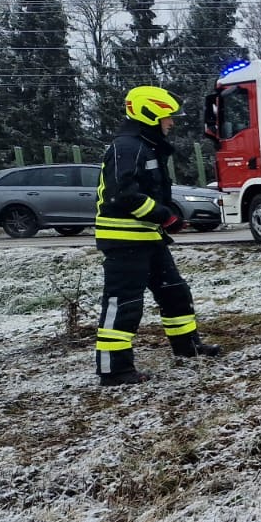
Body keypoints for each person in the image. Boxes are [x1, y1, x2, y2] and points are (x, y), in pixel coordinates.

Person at [93, 86, 222, 386]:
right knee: (123, 303)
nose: (171, 123)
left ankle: (188, 348)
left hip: (147, 237)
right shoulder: (128, 147)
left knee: (174, 292)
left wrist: (164, 221)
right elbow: (123, 195)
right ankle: (114, 370)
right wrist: (166, 216)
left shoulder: (144, 145)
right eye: (167, 117)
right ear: (149, 114)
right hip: (125, 240)